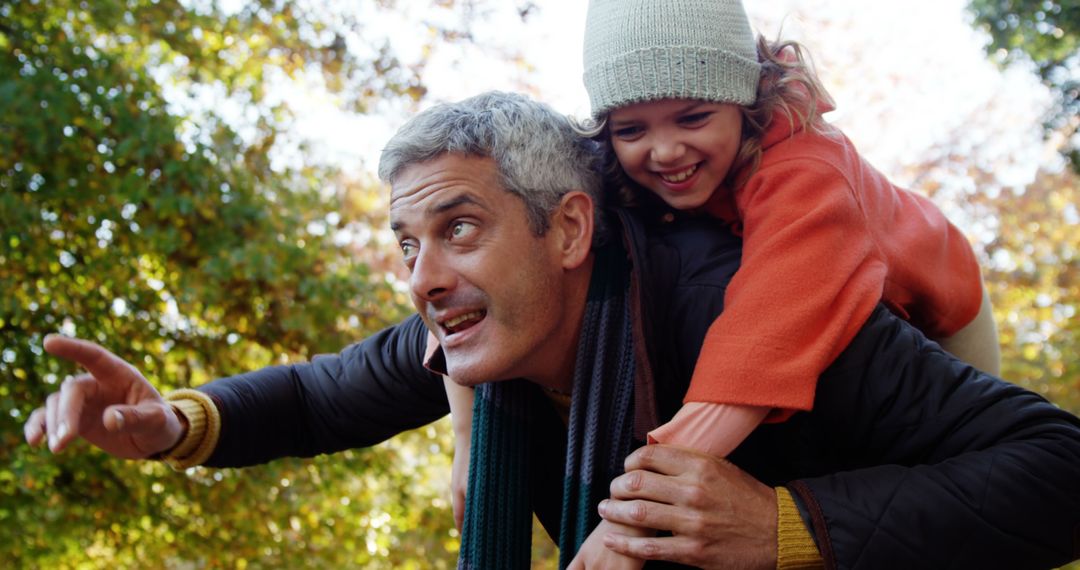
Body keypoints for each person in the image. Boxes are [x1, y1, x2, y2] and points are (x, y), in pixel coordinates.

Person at [23, 92, 1080, 569]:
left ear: (569, 226)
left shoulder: (741, 308)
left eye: (461, 229)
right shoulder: (472, 335)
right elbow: (315, 394)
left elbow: (1057, 471)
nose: (425, 279)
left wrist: (779, 529)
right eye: (405, 244)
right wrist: (169, 426)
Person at [567, 1, 1005, 566]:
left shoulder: (808, 174)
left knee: (958, 486)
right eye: (632, 129)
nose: (666, 149)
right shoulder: (644, 166)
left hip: (936, 313)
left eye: (694, 117)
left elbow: (765, 338)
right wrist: (465, 423)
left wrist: (634, 515)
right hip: (799, 320)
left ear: (743, 101)